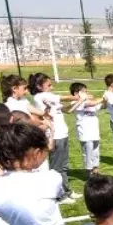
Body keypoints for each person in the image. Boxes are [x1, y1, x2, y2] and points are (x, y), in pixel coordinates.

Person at [33, 73, 76, 203]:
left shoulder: (49, 97)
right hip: (54, 136)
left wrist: (79, 101)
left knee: (63, 166)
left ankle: (66, 191)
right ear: (39, 86)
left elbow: (67, 109)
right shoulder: (41, 96)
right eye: (49, 85)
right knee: (57, 167)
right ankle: (59, 195)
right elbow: (63, 98)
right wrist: (77, 96)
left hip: (62, 134)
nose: (51, 87)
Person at [69, 83, 104, 176]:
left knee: (95, 151)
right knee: (88, 152)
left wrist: (105, 101)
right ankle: (89, 172)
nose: (87, 93)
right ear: (77, 93)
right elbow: (92, 103)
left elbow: (100, 106)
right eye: (84, 91)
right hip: (85, 133)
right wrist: (103, 98)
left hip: (94, 132)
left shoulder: (88, 102)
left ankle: (96, 170)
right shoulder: (75, 103)